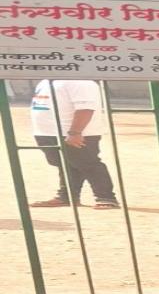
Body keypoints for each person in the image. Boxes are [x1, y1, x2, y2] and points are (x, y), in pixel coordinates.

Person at [28, 79, 118, 209]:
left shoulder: (81, 81)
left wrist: (75, 132)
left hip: (75, 132)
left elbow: (86, 109)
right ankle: (67, 197)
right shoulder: (46, 81)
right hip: (48, 132)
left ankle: (106, 197)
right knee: (64, 164)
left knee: (87, 163)